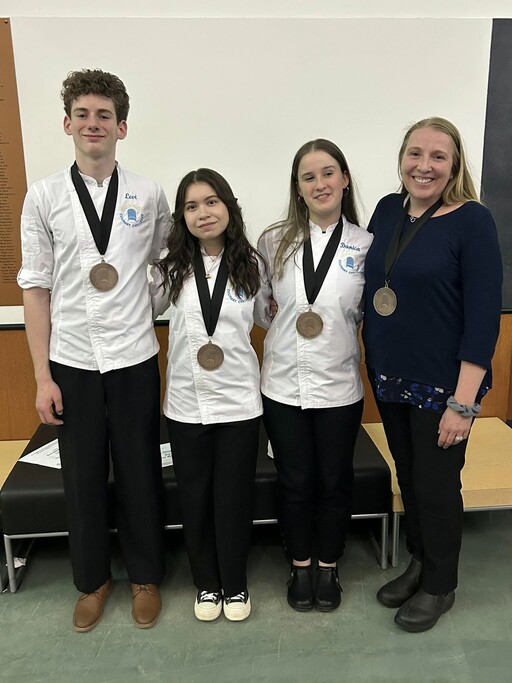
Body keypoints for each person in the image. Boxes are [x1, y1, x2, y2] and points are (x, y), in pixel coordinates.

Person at [18, 69, 170, 632]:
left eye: (104, 115)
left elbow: (164, 264)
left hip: (133, 355)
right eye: (82, 114)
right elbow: (35, 288)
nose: (93, 123)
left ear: (121, 126)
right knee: (80, 475)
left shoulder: (148, 193)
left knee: (139, 470)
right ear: (66, 124)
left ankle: (146, 576)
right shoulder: (44, 196)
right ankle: (92, 580)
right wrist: (41, 376)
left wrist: (141, 303)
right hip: (73, 360)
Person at [363, 117, 502, 632]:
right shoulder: (384, 210)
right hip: (392, 378)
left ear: (454, 164)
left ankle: (441, 585)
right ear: (402, 158)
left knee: (438, 486)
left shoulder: (473, 221)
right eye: (415, 154)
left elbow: (484, 316)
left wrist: (463, 404)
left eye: (438, 157)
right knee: (411, 479)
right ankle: (420, 563)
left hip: (444, 388)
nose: (424, 166)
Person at [257, 139, 373, 612]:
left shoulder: (366, 245)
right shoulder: (273, 241)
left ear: (344, 179)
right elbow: (263, 309)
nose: (320, 183)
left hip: (339, 385)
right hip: (282, 383)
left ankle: (329, 564)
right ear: (298, 188)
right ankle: (300, 564)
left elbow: (371, 312)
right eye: (309, 177)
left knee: (334, 480)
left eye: (328, 173)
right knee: (295, 480)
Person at [156, 168, 271, 622]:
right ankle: (207, 584)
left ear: (228, 206)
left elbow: (268, 318)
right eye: (191, 206)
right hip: (186, 401)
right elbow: (142, 306)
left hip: (240, 400)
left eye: (211, 202)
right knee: (195, 495)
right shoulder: (172, 268)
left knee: (233, 496)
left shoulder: (252, 266)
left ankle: (235, 584)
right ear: (181, 217)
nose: (203, 213)